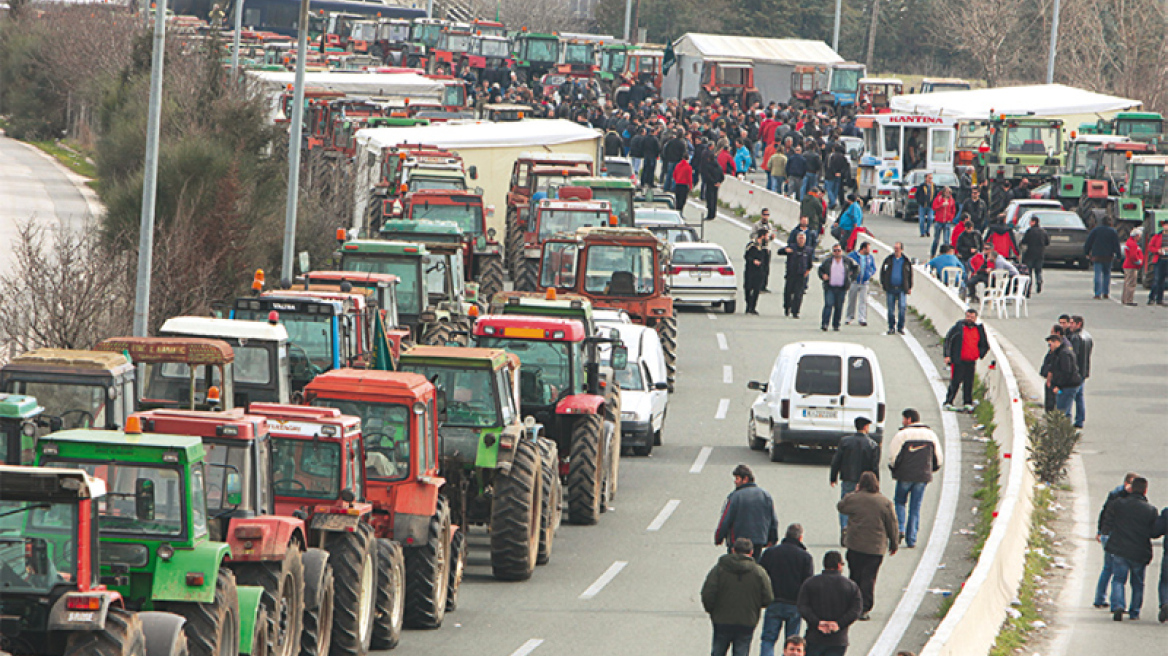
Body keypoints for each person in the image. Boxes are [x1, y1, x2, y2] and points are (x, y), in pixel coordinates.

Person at [837, 472, 898, 619]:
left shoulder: (854, 499)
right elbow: (892, 524)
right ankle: (864, 608)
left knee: (855, 576)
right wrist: (894, 542)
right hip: (875, 548)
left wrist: (854, 492)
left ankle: (852, 605)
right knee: (869, 578)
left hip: (855, 545)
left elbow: (841, 507)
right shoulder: (884, 502)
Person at [1101, 477, 1162, 621]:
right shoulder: (1151, 510)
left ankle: (1118, 605)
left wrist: (1105, 533)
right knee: (1138, 583)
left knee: (1118, 580)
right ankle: (1134, 611)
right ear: (1145, 490)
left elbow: (1108, 521)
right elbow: (1154, 532)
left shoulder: (1118, 504)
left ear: (1131, 488)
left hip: (1120, 548)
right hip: (1140, 551)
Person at [702, 537, 775, 656]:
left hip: (722, 619)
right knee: (742, 651)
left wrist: (712, 610)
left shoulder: (720, 569)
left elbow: (708, 592)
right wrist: (754, 606)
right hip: (747, 620)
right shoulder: (758, 572)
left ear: (733, 550)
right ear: (751, 552)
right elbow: (768, 598)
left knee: (718, 650)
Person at [886, 409, 942, 548]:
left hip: (905, 475)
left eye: (904, 419)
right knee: (915, 507)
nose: (903, 421)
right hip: (922, 476)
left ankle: (900, 529)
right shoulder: (931, 435)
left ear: (909, 419)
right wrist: (932, 469)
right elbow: (938, 458)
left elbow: (892, 456)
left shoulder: (902, 435)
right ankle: (912, 538)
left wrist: (894, 469)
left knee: (899, 502)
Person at [759, 524, 815, 655]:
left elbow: (761, 575)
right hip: (794, 603)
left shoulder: (770, 553)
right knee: (793, 641)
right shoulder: (805, 557)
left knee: (768, 639)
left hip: (774, 600)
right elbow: (808, 583)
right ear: (800, 537)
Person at [797, 551, 863, 656]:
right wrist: (839, 624)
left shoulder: (810, 583)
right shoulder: (850, 586)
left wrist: (817, 622)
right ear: (838, 565)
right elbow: (856, 610)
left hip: (814, 637)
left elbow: (803, 606)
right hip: (838, 639)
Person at [830, 417, 881, 543]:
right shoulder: (872, 445)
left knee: (846, 503)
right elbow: (874, 466)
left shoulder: (845, 442)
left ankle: (844, 527)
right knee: (861, 507)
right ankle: (857, 532)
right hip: (864, 482)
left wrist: (833, 476)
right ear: (865, 427)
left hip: (848, 478)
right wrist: (876, 482)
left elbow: (837, 460)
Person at [715, 464, 779, 562]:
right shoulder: (765, 495)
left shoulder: (735, 496)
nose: (735, 481)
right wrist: (772, 539)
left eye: (737, 478)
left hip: (737, 542)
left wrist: (719, 537)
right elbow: (773, 519)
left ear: (745, 479)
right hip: (758, 541)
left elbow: (726, 519)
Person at [1095, 472, 1139, 609]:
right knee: (1111, 568)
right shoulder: (1118, 495)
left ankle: (1100, 598)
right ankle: (1105, 600)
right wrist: (1101, 531)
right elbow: (1106, 513)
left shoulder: (1118, 494)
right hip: (1112, 535)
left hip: (1111, 534)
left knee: (1109, 568)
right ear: (1126, 484)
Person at [942, 309, 990, 412]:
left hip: (971, 361)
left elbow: (984, 344)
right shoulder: (958, 328)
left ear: (975, 318)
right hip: (958, 360)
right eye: (968, 316)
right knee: (955, 381)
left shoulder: (979, 329)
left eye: (972, 317)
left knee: (969, 382)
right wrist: (947, 355)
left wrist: (978, 354)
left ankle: (967, 402)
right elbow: (948, 340)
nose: (969, 319)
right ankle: (948, 401)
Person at [818, 244, 858, 332]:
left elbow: (856, 269)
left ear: (841, 251)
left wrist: (851, 279)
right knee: (828, 305)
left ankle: (836, 324)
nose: (837, 252)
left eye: (838, 250)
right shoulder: (828, 261)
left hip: (842, 288)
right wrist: (823, 275)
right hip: (830, 287)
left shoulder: (847, 261)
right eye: (835, 251)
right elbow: (820, 270)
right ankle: (825, 324)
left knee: (839, 306)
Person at [1083, 216, 1122, 299]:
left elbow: (1088, 242)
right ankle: (1106, 292)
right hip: (1108, 256)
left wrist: (1086, 252)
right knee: (1107, 274)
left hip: (1097, 256)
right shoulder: (1113, 232)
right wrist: (1118, 255)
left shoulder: (1095, 230)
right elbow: (1116, 244)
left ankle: (1097, 293)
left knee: (1097, 274)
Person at [1044, 334, 1082, 419]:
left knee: (1063, 411)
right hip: (1066, 385)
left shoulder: (1064, 353)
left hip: (1069, 385)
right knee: (1062, 409)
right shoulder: (1057, 353)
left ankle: (1066, 430)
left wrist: (1059, 386)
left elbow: (1066, 372)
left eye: (1050, 344)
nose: (1050, 347)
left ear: (1057, 342)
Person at [880, 242, 913, 336]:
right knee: (890, 309)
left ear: (902, 249)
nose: (896, 250)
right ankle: (891, 327)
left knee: (902, 308)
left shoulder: (906, 261)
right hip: (890, 288)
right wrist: (884, 284)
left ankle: (900, 327)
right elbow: (883, 272)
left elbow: (910, 275)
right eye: (895, 248)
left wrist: (909, 287)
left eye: (898, 248)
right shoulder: (889, 260)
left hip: (902, 288)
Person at [1067, 315, 1093, 429]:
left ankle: (1068, 419)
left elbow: (1074, 356)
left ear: (1079, 324)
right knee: (1079, 396)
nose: (1070, 325)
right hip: (1084, 370)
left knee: (1070, 395)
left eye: (1072, 323)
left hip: (1076, 372)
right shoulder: (1087, 336)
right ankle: (1080, 419)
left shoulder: (1076, 338)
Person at [780, 232, 814, 318]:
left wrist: (806, 272)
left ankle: (795, 311)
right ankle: (787, 307)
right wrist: (785, 250)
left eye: (802, 238)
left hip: (801, 275)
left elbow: (810, 264)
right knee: (788, 292)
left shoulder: (808, 250)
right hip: (791, 274)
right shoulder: (792, 247)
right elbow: (779, 252)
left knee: (798, 294)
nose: (801, 240)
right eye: (800, 238)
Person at [845, 242, 876, 326]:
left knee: (863, 300)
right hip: (854, 281)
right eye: (868, 248)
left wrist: (870, 274)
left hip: (865, 282)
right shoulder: (852, 256)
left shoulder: (870, 258)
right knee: (852, 300)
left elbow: (874, 268)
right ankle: (849, 317)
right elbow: (846, 265)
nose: (869, 250)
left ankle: (862, 318)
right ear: (863, 248)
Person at [1018, 214, 1049, 294]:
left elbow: (1024, 241)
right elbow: (1047, 242)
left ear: (1034, 222)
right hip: (1040, 253)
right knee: (1038, 270)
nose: (1029, 223)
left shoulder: (1029, 231)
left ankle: (1028, 287)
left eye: (1030, 221)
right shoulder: (1043, 231)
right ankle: (1039, 280)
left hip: (1030, 253)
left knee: (1029, 271)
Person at [745, 233, 768, 315]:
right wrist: (753, 261)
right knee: (748, 288)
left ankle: (753, 307)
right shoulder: (751, 246)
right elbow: (746, 257)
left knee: (756, 290)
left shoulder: (764, 248)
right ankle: (748, 305)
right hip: (750, 271)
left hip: (760, 272)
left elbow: (766, 261)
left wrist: (765, 272)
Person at [931, 187, 957, 258]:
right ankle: (932, 254)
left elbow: (953, 210)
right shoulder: (938, 198)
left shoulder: (951, 200)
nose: (947, 194)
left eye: (949, 192)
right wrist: (941, 205)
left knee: (946, 240)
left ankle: (945, 255)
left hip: (947, 222)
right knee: (936, 240)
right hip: (939, 221)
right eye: (946, 192)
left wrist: (951, 218)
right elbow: (934, 207)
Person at [1146, 218, 1168, 305]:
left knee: (1162, 281)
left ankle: (1160, 299)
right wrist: (1158, 250)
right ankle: (1151, 298)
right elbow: (1150, 247)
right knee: (1157, 279)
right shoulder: (1157, 236)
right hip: (1159, 260)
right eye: (1166, 225)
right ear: (1163, 226)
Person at [1121, 227, 1144, 306]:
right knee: (1131, 283)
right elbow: (1133, 256)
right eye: (1139, 236)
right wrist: (1138, 262)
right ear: (1136, 235)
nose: (1140, 237)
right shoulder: (1133, 244)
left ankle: (1125, 299)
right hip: (1131, 266)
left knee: (1127, 283)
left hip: (1128, 265)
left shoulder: (1129, 242)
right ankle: (1129, 300)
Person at [703, 146, 726, 222]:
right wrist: (718, 182)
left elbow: (707, 176)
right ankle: (714, 214)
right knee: (714, 199)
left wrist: (713, 182)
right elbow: (722, 177)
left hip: (710, 185)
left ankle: (710, 214)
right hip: (716, 186)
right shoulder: (719, 167)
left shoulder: (708, 166)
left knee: (709, 199)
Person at [915, 173, 937, 238]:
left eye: (931, 178)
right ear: (926, 178)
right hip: (923, 205)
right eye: (929, 178)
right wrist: (920, 201)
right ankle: (922, 232)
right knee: (922, 220)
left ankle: (927, 230)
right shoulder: (922, 186)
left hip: (930, 205)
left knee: (930, 218)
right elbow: (917, 194)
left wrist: (934, 202)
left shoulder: (933, 186)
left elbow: (936, 194)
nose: (930, 179)